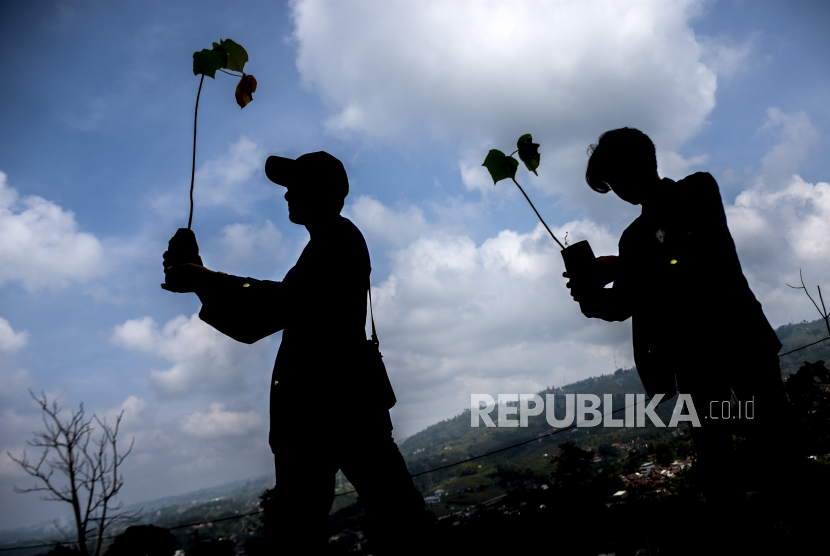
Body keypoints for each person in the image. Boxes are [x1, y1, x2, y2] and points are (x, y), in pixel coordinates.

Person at [161, 151, 426, 553]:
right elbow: (255, 325)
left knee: (386, 523)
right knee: (390, 520)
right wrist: (200, 279)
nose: (286, 196)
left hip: (335, 415)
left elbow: (282, 303)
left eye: (294, 186)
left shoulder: (339, 240)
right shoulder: (323, 248)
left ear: (321, 191)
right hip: (330, 417)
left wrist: (205, 278)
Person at [564, 128, 788, 500]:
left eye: (615, 178)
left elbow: (688, 256)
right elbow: (622, 306)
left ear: (637, 165)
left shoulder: (696, 191)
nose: (617, 190)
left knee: (775, 450)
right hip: (694, 365)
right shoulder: (632, 237)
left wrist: (618, 267)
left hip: (742, 344)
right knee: (720, 466)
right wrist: (587, 295)